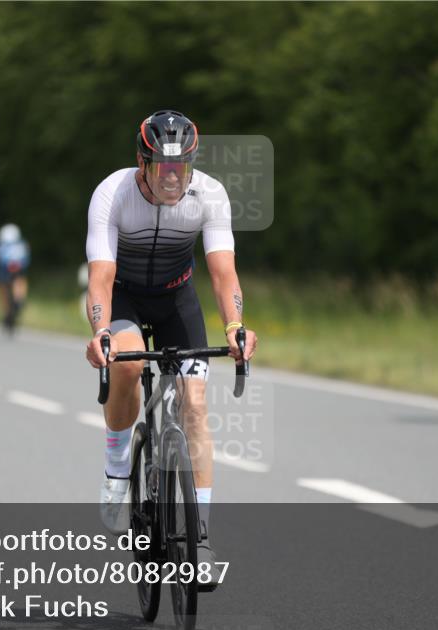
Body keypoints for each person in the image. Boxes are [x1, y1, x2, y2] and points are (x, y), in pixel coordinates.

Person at [84, 110, 258, 586]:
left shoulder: (210, 194)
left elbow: (223, 273)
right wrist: (100, 330)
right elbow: (99, 279)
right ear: (142, 162)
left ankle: (199, 539)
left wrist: (236, 326)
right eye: (162, 165)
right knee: (127, 363)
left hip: (177, 298)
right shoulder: (112, 194)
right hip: (124, 294)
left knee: (195, 405)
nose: (173, 176)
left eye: (181, 166)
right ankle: (117, 467)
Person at [0, 223, 31, 333]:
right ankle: (19, 299)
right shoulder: (21, 243)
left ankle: (6, 311)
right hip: (18, 269)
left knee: (2, 286)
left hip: (4, 271)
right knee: (21, 279)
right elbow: (27, 258)